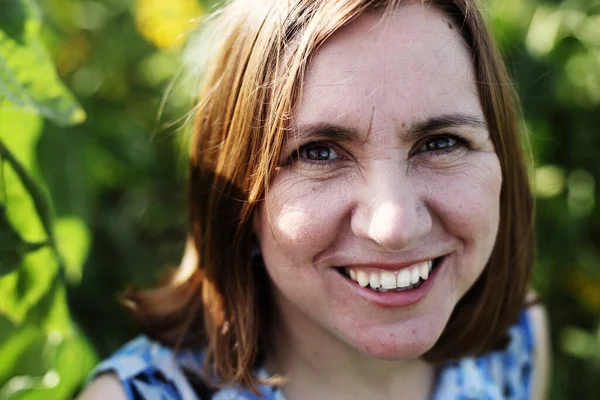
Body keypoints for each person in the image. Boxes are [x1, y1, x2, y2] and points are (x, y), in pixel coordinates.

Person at [79, 0, 550, 399]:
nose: (395, 227)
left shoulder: (514, 343)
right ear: (236, 198)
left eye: (441, 143)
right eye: (319, 153)